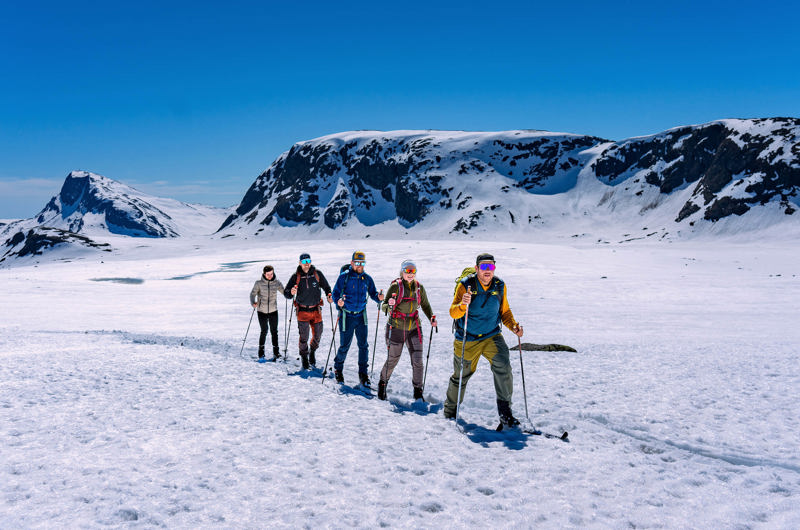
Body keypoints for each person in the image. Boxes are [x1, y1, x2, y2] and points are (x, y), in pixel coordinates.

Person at [444, 253, 524, 427]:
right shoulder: (466, 285)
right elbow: (453, 312)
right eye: (484, 267)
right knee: (461, 376)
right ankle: (450, 412)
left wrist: (514, 327)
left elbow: (505, 312)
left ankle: (506, 414)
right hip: (467, 339)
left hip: (491, 336)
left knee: (503, 367)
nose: (488, 270)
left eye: (491, 266)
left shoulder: (499, 285)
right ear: (477, 268)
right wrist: (463, 305)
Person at [377, 260, 436, 401]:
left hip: (414, 327)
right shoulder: (395, 287)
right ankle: (382, 384)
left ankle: (418, 391)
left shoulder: (419, 287)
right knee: (393, 359)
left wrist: (431, 318)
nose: (410, 274)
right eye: (407, 271)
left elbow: (426, 305)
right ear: (402, 272)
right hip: (396, 327)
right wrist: (388, 305)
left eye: (413, 271)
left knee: (418, 361)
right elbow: (384, 306)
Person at [331, 251, 384, 386]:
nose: (360, 266)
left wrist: (378, 298)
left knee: (363, 346)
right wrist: (338, 302)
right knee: (345, 345)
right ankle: (338, 369)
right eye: (357, 263)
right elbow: (335, 293)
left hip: (361, 316)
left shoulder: (367, 278)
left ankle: (363, 374)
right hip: (346, 316)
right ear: (352, 263)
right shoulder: (344, 277)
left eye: (362, 263)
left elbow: (373, 293)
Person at [284, 252, 333, 369]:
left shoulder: (317, 274)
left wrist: (329, 295)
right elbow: (286, 293)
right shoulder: (296, 277)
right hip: (302, 312)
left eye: (308, 261)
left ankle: (312, 352)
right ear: (300, 263)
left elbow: (327, 287)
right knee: (304, 337)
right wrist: (291, 293)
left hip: (316, 310)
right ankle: (304, 358)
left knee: (318, 334)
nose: (307, 264)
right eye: (304, 262)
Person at [250, 265, 289, 362]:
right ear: (264, 274)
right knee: (264, 331)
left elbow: (284, 292)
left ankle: (276, 353)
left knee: (274, 332)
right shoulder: (258, 283)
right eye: (268, 274)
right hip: (261, 311)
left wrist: (290, 293)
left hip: (273, 311)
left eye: (271, 274)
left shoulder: (276, 283)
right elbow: (252, 294)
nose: (270, 276)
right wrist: (253, 302)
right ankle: (261, 353)